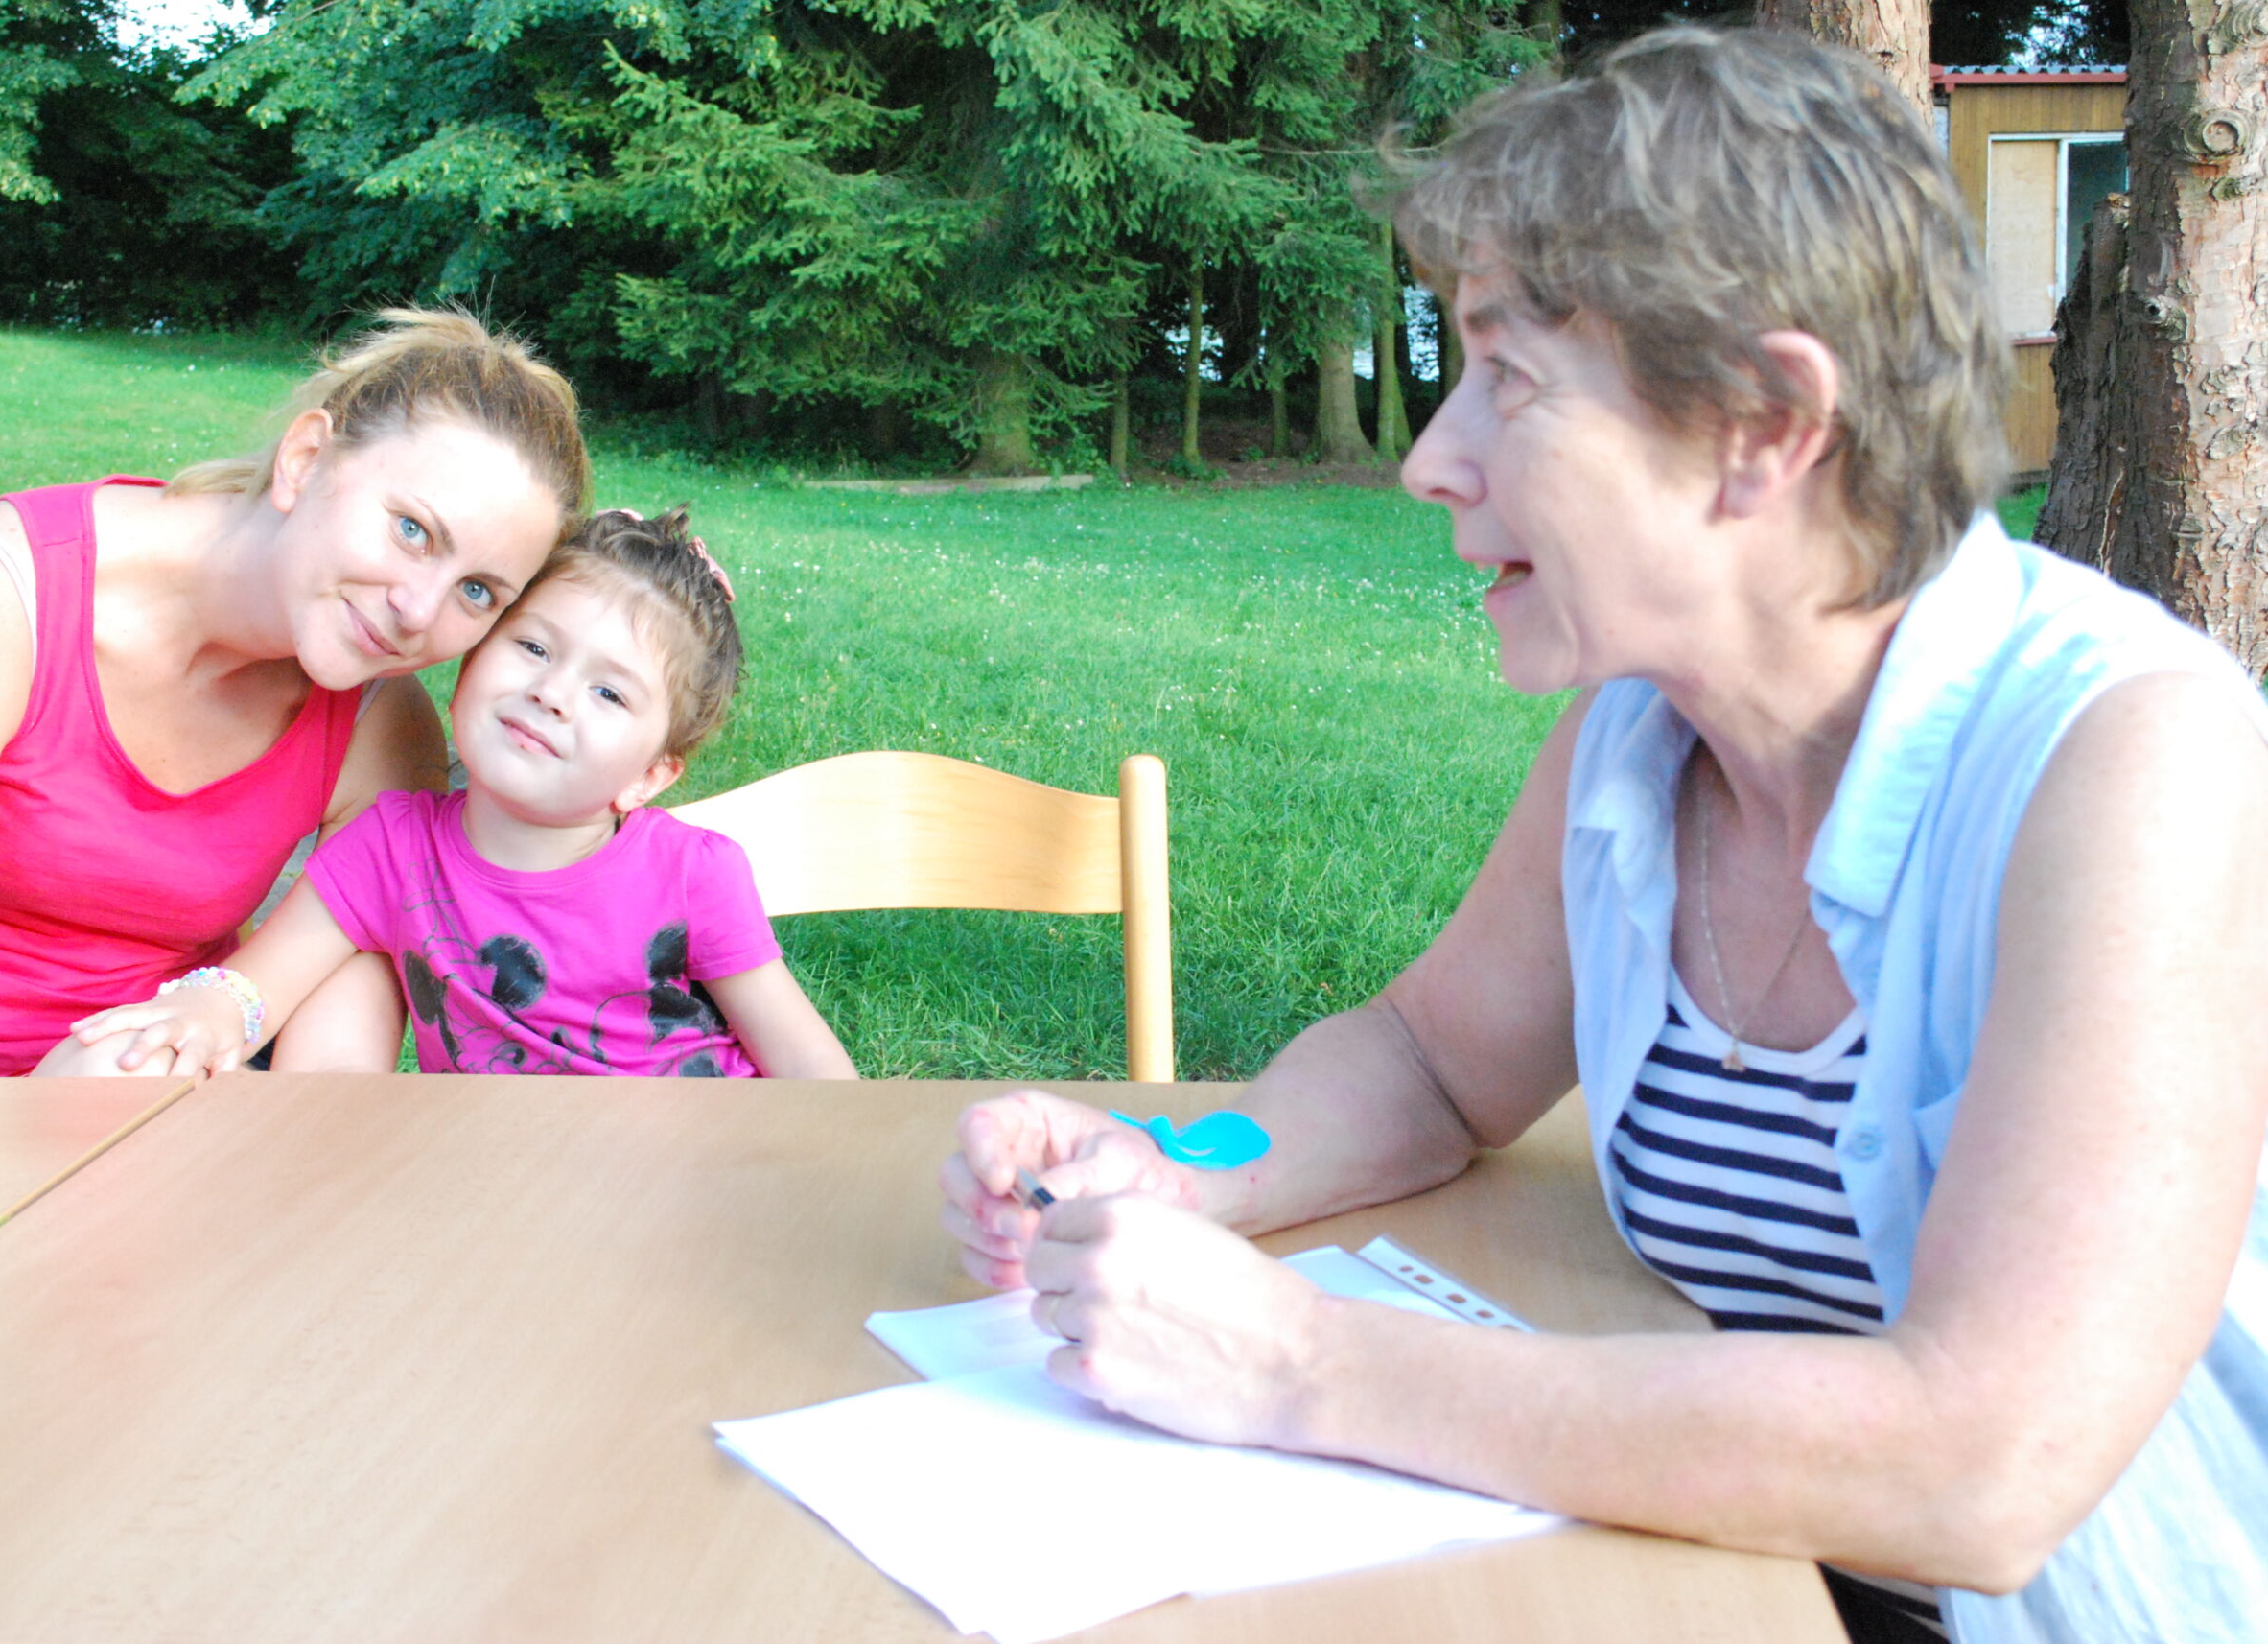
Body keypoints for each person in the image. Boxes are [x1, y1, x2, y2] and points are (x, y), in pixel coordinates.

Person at [939, 28, 2268, 1644]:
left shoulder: (2134, 762)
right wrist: (1187, 1168)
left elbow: (1983, 1468)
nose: (1431, 461)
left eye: (1508, 381)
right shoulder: (1638, 733)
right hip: (1722, 1574)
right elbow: (1431, 1064)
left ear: (1768, 422)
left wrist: (1299, 1363)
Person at [0, 307, 591, 1079]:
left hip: (155, 1084)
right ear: (305, 460)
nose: (418, 612)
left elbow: (331, 1077)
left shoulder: (379, 723)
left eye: (478, 591)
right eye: (412, 530)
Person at [64, 508, 857, 1081]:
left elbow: (811, 1072)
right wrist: (204, 1014)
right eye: (534, 647)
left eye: (609, 693)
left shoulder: (692, 874)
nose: (552, 693)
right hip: (492, 1191)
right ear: (470, 663)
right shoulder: (392, 847)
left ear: (648, 777)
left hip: (687, 1177)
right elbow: (256, 984)